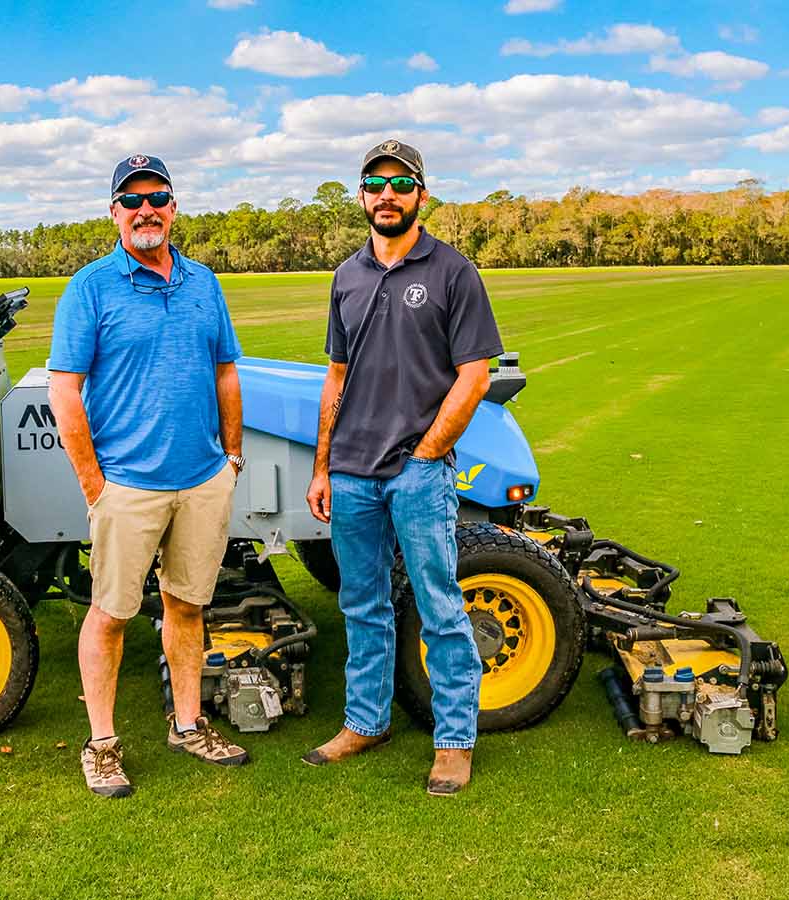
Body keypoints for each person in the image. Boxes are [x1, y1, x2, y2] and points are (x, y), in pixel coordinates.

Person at [303, 139, 503, 796]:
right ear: (361, 195)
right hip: (352, 474)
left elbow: (474, 375)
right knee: (361, 604)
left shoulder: (452, 272)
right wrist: (322, 466)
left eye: (400, 182)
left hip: (417, 474)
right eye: (375, 183)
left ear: (422, 193)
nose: (386, 194)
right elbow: (336, 375)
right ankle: (365, 722)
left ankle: (454, 741)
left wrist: (426, 451)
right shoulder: (347, 275)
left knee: (441, 607)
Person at [47, 154, 250, 799]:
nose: (145, 210)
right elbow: (65, 391)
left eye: (156, 197)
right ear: (114, 212)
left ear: (172, 207)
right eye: (131, 200)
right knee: (110, 614)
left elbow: (225, 372)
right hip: (127, 486)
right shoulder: (90, 287)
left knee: (187, 607)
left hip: (201, 479)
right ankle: (102, 744)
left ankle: (188, 725)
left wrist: (232, 458)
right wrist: (93, 484)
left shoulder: (203, 283)